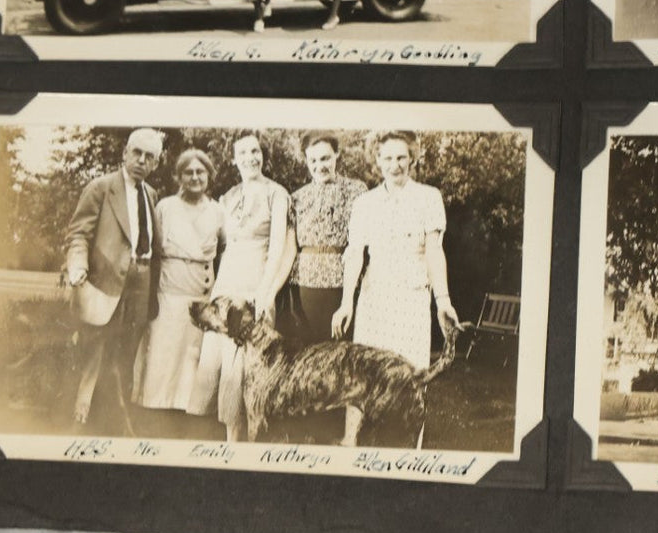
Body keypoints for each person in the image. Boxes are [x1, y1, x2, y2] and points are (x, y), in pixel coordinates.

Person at [332, 131, 460, 442]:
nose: (395, 164)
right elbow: (355, 254)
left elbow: (434, 250)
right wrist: (347, 301)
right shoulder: (365, 203)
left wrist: (443, 300)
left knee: (411, 374)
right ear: (377, 160)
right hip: (375, 297)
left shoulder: (429, 197)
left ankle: (409, 448)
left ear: (412, 158)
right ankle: (350, 442)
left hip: (412, 296)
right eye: (387, 158)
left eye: (401, 157)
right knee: (362, 373)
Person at [190, 135, 292, 442]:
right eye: (243, 152)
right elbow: (216, 243)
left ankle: (250, 440)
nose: (251, 157)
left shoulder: (277, 193)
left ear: (263, 155)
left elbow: (277, 248)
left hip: (256, 282)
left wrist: (265, 292)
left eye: (256, 151)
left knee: (245, 365)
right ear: (234, 158)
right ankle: (229, 436)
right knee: (219, 358)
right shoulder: (228, 196)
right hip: (227, 280)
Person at [62, 128, 164, 427]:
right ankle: (77, 420)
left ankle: (114, 419)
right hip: (103, 284)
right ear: (125, 153)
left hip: (141, 284)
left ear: (156, 163)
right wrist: (77, 266)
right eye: (138, 153)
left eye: (150, 157)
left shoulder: (152, 194)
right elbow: (78, 233)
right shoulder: (101, 187)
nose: (142, 160)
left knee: (126, 353)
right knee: (93, 352)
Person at [132, 149, 225, 422]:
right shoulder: (166, 207)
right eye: (188, 172)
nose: (195, 177)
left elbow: (224, 249)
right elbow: (154, 251)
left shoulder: (218, 211)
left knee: (192, 357)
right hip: (169, 290)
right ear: (179, 176)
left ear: (209, 175)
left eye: (200, 172)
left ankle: (190, 412)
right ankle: (155, 410)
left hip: (201, 293)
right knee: (164, 352)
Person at [285, 132, 366, 344]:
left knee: (340, 351)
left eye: (325, 158)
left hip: (341, 282)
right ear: (306, 161)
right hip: (304, 284)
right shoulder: (297, 198)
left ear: (336, 155)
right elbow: (290, 248)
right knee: (309, 350)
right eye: (313, 160)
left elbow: (361, 243)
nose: (319, 165)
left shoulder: (357, 191)